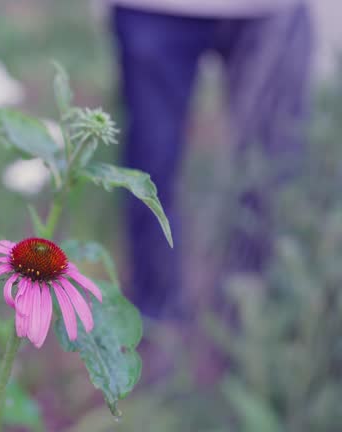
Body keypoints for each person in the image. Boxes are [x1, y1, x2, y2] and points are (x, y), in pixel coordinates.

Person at [108, 0, 314, 319]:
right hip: (154, 9)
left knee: (272, 178)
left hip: (276, 11)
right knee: (150, 174)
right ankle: (157, 332)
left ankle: (254, 332)